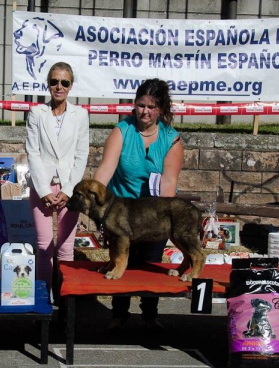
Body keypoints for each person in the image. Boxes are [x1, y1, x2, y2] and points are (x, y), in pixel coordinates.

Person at [93, 78, 183, 332]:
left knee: (151, 264)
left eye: (151, 107)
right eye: (140, 105)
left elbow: (168, 185)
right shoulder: (121, 131)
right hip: (121, 212)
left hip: (153, 212)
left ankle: (149, 314)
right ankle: (119, 314)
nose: (145, 111)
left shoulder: (172, 140)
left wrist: (163, 220)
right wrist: (94, 201)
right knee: (123, 261)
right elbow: (105, 171)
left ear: (162, 110)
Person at [26, 62, 90, 295]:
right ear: (48, 84)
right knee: (43, 248)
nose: (59, 86)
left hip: (69, 189)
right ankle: (43, 298)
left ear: (71, 86)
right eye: (54, 81)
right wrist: (43, 190)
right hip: (41, 187)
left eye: (64, 82)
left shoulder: (81, 114)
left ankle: (65, 301)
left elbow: (82, 155)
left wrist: (69, 190)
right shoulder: (36, 113)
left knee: (65, 248)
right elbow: (32, 152)